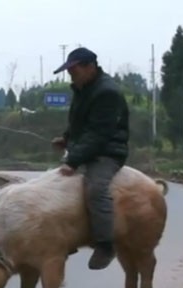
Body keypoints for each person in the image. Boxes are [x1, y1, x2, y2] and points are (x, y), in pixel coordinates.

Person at [51, 47, 130, 270]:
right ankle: (67, 238)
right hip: (87, 148)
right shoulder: (83, 88)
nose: (71, 76)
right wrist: (67, 139)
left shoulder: (107, 92)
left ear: (90, 67)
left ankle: (105, 244)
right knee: (56, 187)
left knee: (95, 189)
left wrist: (73, 160)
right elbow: (80, 123)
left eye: (74, 71)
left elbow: (99, 133)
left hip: (107, 151)